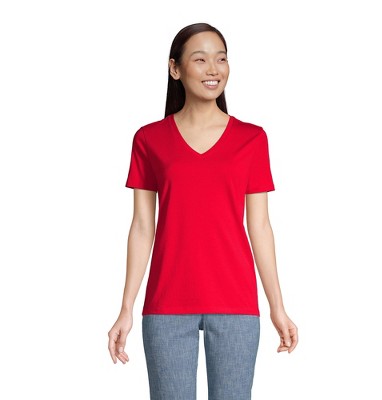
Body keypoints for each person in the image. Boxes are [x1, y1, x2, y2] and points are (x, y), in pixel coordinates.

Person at [108, 22, 298, 400]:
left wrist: (277, 306)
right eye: (200, 59)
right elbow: (142, 227)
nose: (214, 69)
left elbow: (260, 226)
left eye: (221, 59)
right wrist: (126, 307)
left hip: (236, 302)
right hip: (166, 304)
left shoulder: (252, 139)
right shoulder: (149, 139)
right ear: (175, 68)